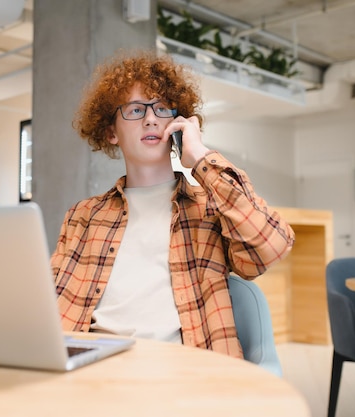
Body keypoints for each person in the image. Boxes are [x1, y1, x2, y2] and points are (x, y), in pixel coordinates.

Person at [49, 50, 295, 359]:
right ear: (111, 132)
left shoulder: (209, 209)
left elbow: (271, 247)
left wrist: (200, 158)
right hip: (96, 367)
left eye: (162, 108)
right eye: (136, 110)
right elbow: (52, 306)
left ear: (178, 124)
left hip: (183, 369)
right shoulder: (83, 217)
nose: (151, 118)